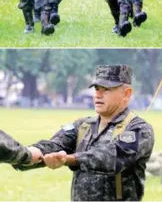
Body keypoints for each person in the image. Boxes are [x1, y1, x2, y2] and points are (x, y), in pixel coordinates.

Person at [15, 65, 155, 201]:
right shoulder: (83, 125)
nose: (98, 95)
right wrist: (25, 154)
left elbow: (112, 157)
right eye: (97, 89)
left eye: (106, 89)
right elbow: (55, 145)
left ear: (127, 93)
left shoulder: (139, 129)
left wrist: (70, 159)